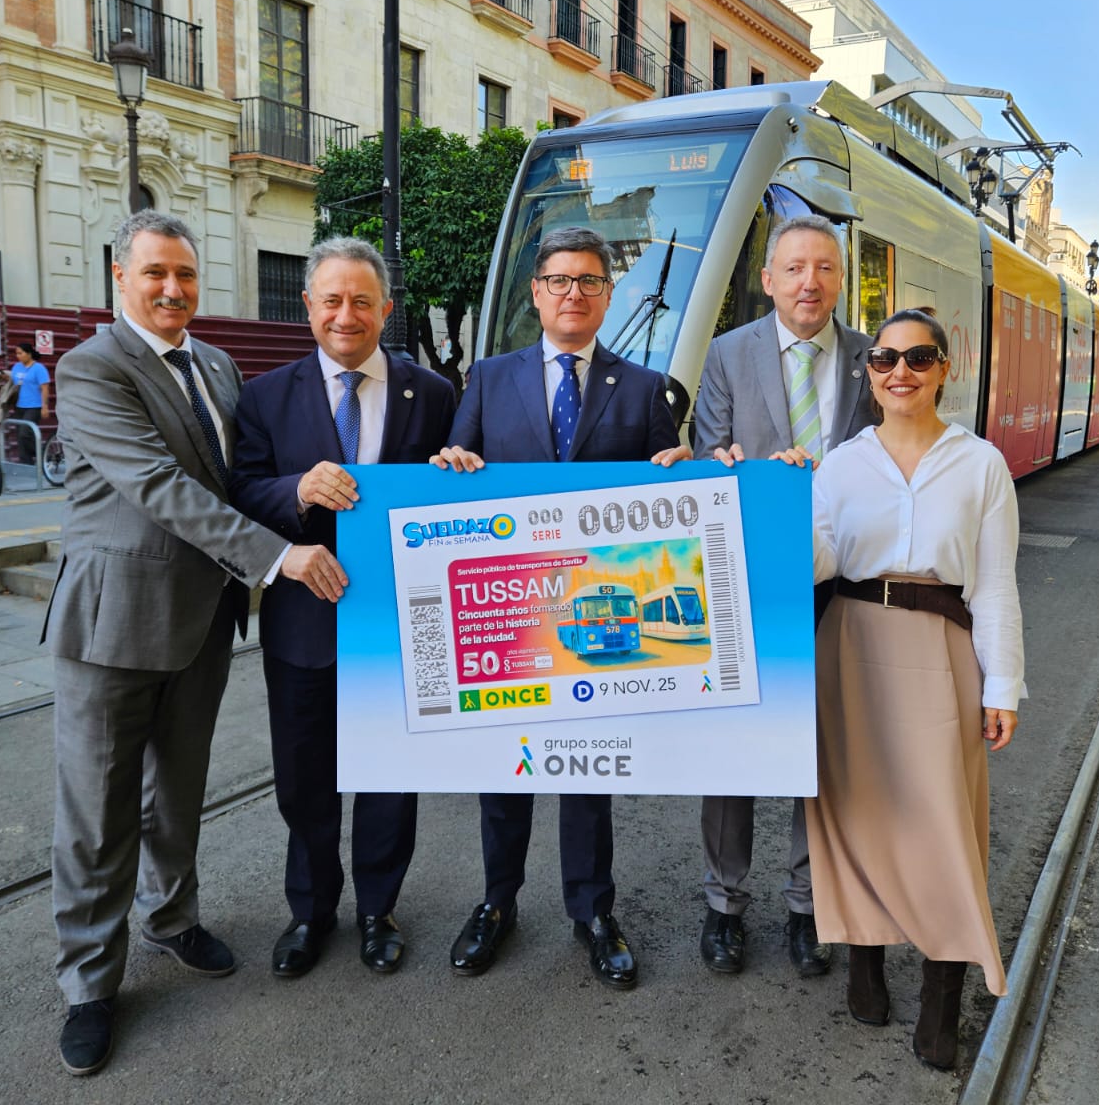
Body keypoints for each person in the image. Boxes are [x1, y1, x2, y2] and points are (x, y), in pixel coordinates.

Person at [43, 210, 342, 1077]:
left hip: (203, 619)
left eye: (184, 275)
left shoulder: (213, 365)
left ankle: (170, 922)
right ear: (119, 279)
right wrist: (280, 555)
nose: (172, 290)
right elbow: (158, 486)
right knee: (96, 813)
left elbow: (241, 478)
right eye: (154, 276)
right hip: (112, 624)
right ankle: (90, 984)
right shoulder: (92, 367)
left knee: (178, 793)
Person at [432, 225, 689, 990]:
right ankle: (496, 904)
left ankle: (593, 911)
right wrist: (452, 463)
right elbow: (456, 465)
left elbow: (668, 497)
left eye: (589, 281)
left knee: (586, 775)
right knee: (504, 770)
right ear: (536, 294)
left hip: (595, 622)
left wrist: (679, 467)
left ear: (609, 297)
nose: (573, 293)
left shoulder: (645, 389)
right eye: (559, 281)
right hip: (510, 615)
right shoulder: (487, 378)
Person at [800, 308, 1021, 1072]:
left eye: (918, 357)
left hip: (940, 647)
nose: (901, 372)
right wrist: (769, 497)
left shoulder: (981, 462)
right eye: (885, 358)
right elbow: (816, 563)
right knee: (855, 814)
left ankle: (942, 996)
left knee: (943, 826)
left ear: (944, 369)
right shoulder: (838, 464)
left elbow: (994, 584)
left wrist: (1005, 687)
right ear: (868, 373)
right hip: (849, 647)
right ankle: (864, 963)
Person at [231, 237, 456, 979]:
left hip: (402, 626)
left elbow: (464, 497)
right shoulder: (265, 395)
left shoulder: (435, 394)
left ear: (385, 308)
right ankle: (310, 911)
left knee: (392, 775)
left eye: (362, 300)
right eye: (331, 299)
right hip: (304, 623)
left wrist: (459, 468)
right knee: (304, 778)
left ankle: (378, 909)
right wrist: (296, 491)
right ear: (308, 306)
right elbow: (240, 492)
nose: (346, 314)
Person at [691, 215, 875, 979]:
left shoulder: (875, 358)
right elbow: (708, 452)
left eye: (825, 268)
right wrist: (733, 462)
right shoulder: (730, 353)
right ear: (768, 280)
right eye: (795, 268)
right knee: (733, 752)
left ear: (841, 279)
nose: (810, 282)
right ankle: (723, 906)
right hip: (750, 584)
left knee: (820, 753)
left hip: (846, 587)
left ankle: (809, 907)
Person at [6, 342, 51, 462]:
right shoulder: (16, 367)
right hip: (19, 406)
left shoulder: (39, 368)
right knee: (20, 435)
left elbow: (45, 388)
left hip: (34, 406)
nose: (18, 356)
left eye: (21, 353)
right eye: (16, 353)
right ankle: (26, 461)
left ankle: (44, 454)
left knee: (25, 433)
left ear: (29, 354)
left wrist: (45, 406)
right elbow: (13, 382)